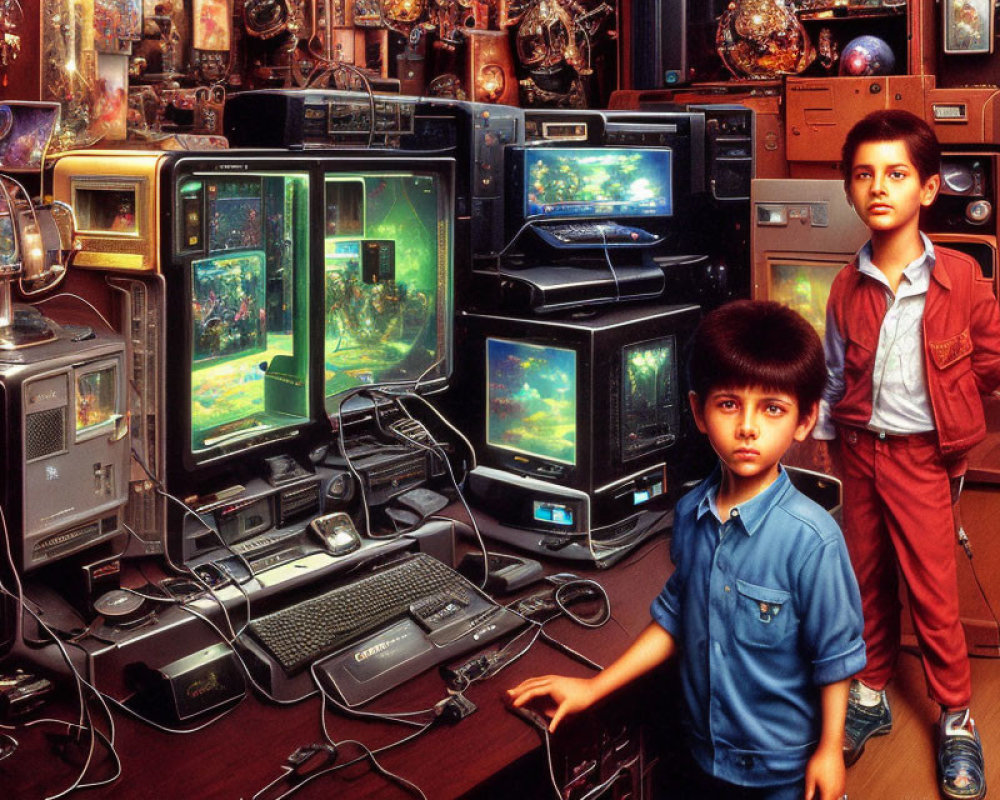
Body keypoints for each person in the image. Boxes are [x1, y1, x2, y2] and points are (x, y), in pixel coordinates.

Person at [508, 300, 866, 800]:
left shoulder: (813, 541)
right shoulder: (692, 513)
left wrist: (829, 750)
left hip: (782, 771)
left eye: (773, 409)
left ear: (805, 421)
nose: (747, 427)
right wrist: (594, 688)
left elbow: (835, 659)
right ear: (698, 412)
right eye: (728, 405)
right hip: (704, 756)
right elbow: (677, 615)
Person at [814, 108, 1000, 800]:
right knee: (863, 579)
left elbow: (988, 364)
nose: (879, 187)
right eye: (863, 175)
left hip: (924, 459)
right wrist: (833, 447)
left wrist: (951, 420)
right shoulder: (843, 288)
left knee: (932, 592)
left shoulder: (961, 279)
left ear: (927, 188)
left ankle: (956, 717)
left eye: (896, 174)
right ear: (850, 189)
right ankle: (871, 692)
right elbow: (834, 376)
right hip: (861, 454)